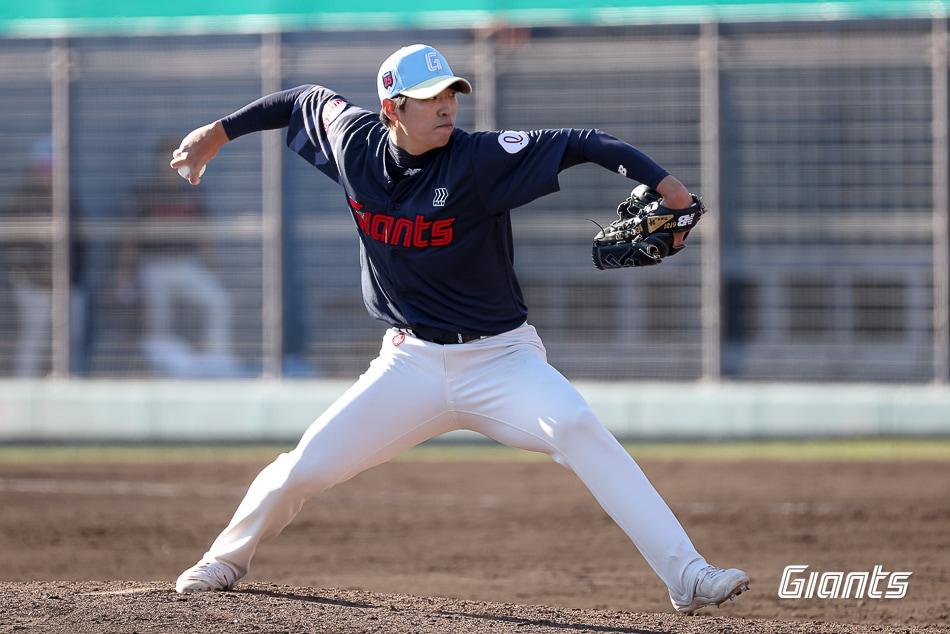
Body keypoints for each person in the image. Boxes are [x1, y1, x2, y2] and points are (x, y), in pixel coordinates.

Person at [171, 44, 749, 615]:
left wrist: (667, 186)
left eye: (451, 92)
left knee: (577, 425)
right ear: (392, 107)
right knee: (306, 467)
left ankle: (689, 577)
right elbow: (298, 101)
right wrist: (218, 132)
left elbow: (584, 142)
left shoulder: (479, 160)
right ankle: (224, 559)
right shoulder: (353, 144)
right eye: (429, 98)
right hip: (408, 365)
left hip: (502, 361)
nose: (447, 106)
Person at [117, 138, 239, 378]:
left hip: (186, 265)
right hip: (154, 267)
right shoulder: (144, 195)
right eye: (163, 162)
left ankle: (217, 363)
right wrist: (123, 276)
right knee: (158, 321)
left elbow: (205, 235)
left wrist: (214, 269)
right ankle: (164, 373)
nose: (167, 167)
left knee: (218, 301)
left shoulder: (191, 192)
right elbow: (129, 239)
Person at [2, 136, 89, 376]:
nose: (47, 175)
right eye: (43, 169)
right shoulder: (22, 199)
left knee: (72, 341)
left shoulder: (68, 199)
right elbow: (15, 249)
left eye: (51, 169)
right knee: (34, 339)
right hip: (33, 286)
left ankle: (70, 386)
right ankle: (24, 387)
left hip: (67, 286)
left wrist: (71, 280)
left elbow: (79, 245)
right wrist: (37, 278)